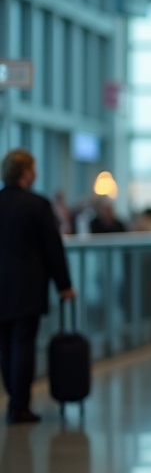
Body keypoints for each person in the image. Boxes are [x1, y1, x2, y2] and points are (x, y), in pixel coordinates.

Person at [0, 150, 76, 424]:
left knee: (5, 345)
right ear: (26, 172)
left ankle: (13, 397)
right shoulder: (37, 204)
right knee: (23, 343)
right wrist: (64, 285)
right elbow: (52, 248)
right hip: (27, 285)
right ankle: (19, 405)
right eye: (34, 168)